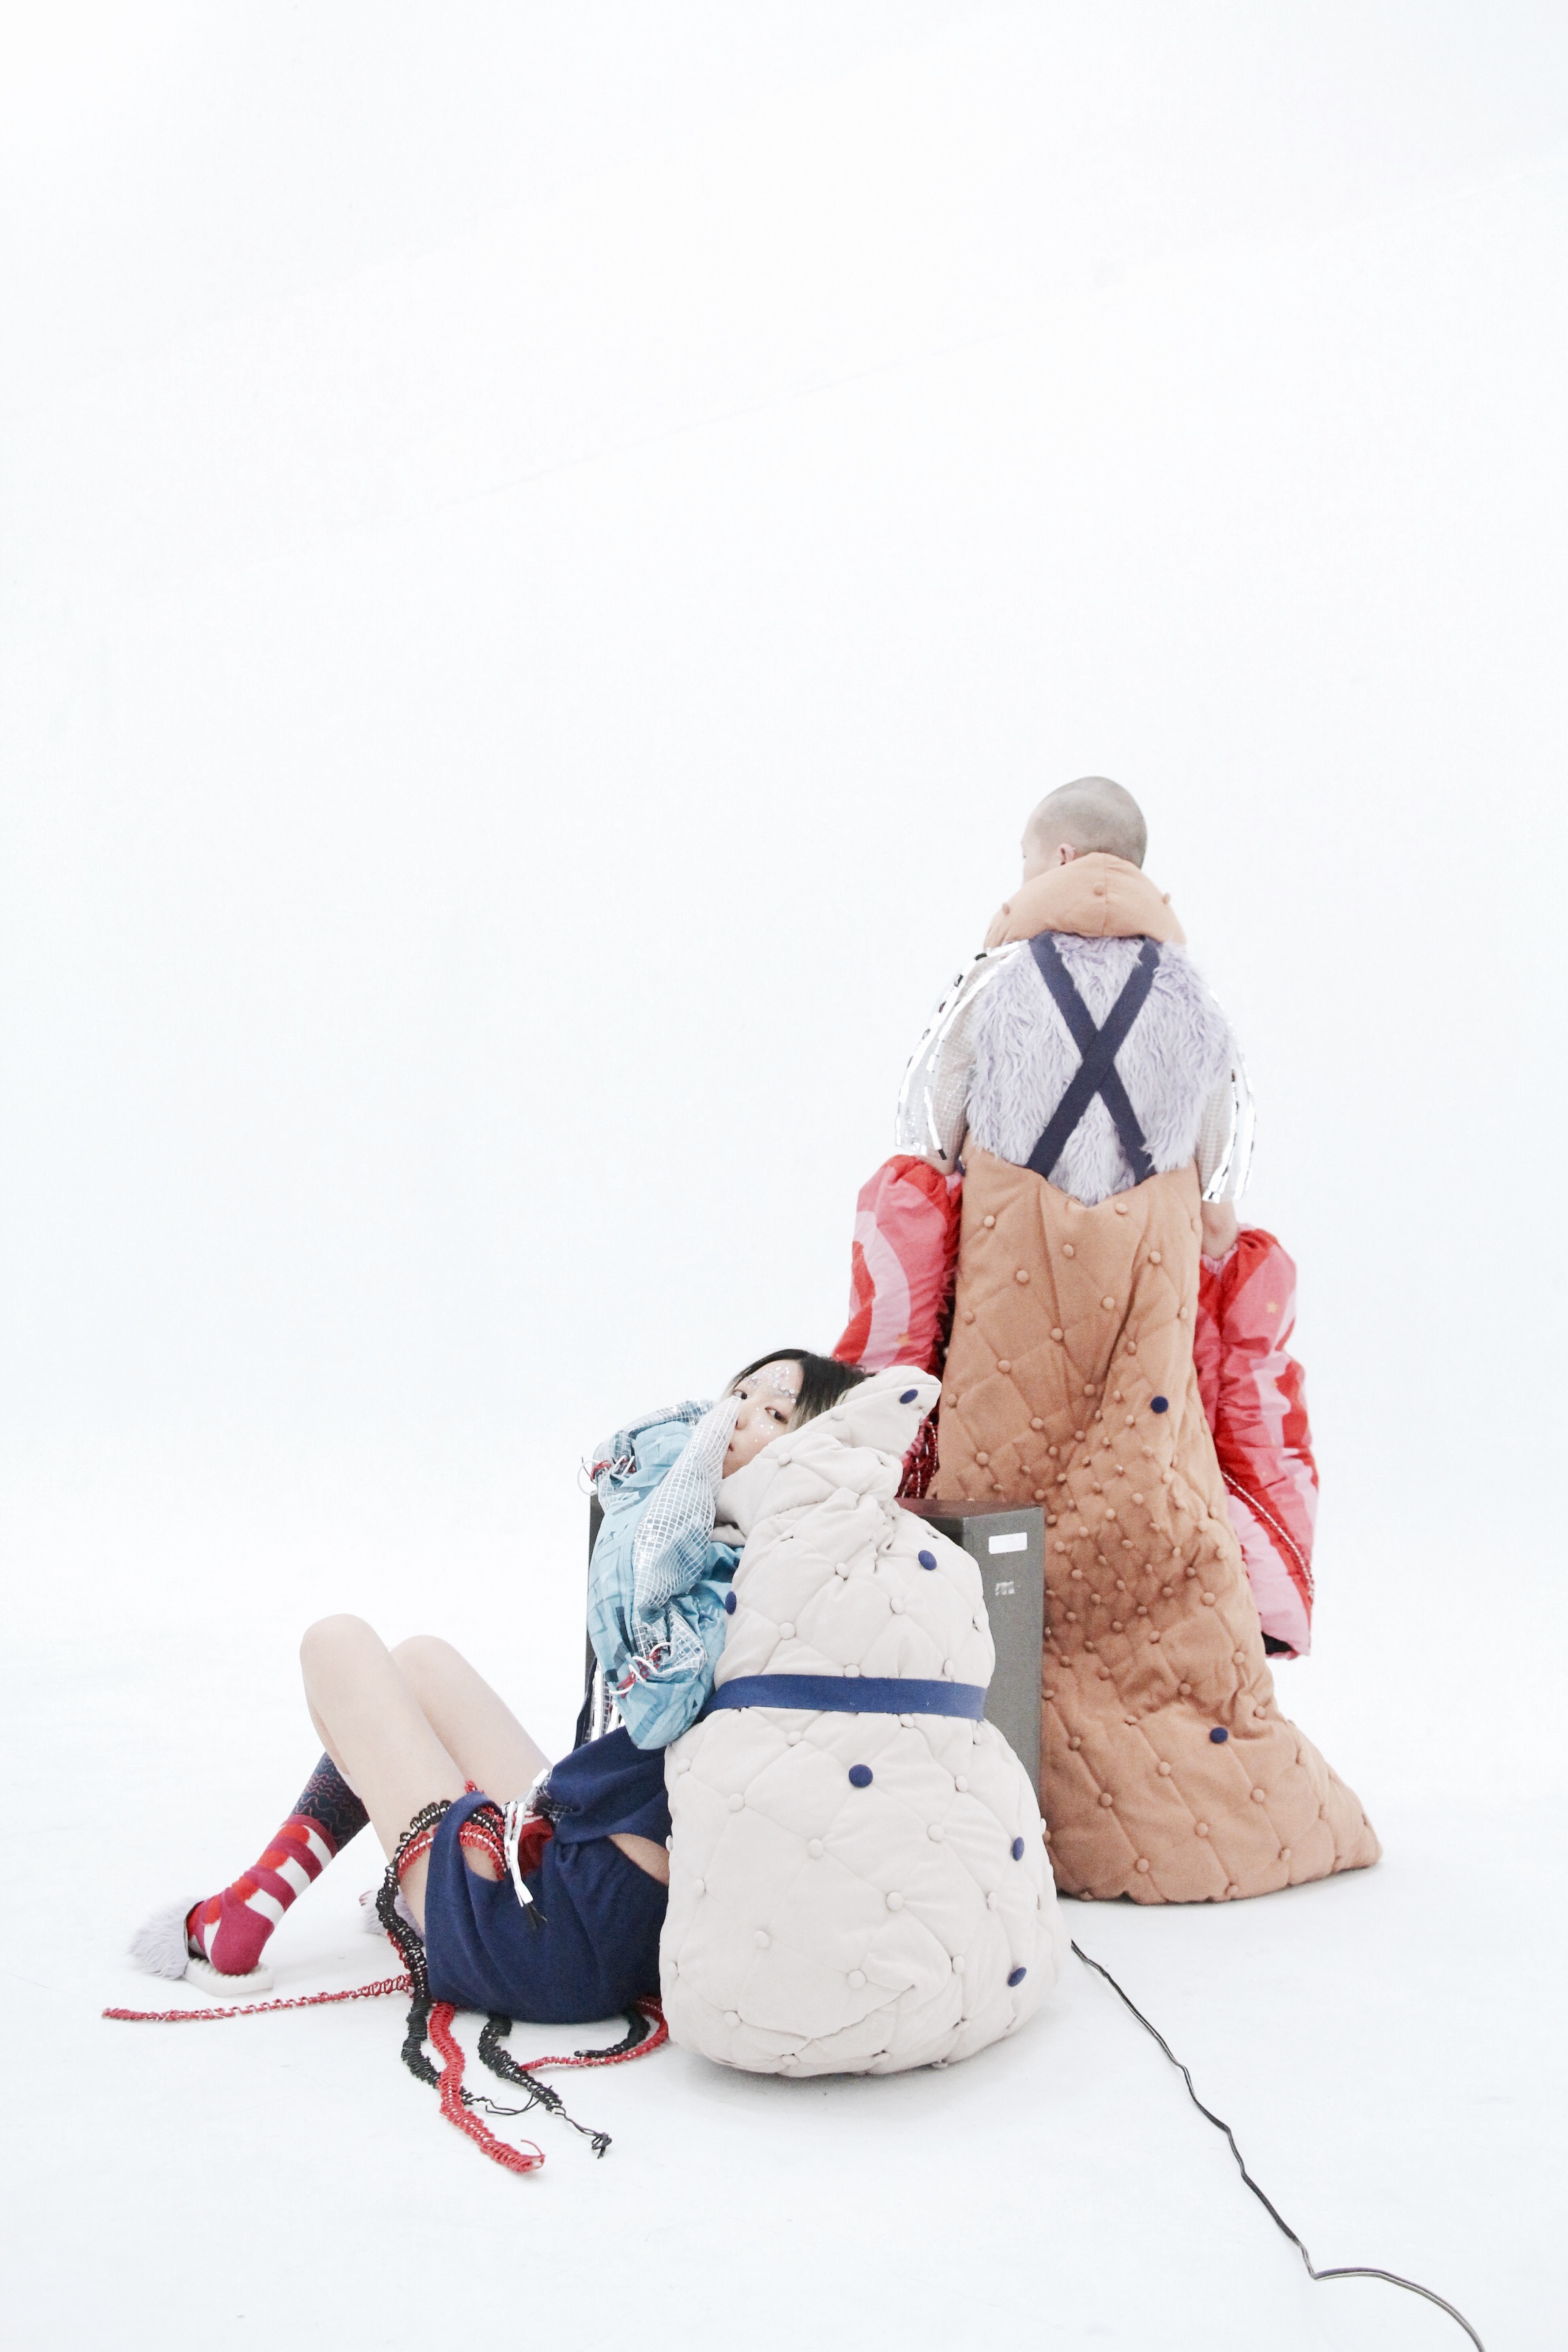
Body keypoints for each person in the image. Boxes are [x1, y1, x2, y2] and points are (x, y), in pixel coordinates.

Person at [834, 776, 1378, 1902]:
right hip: (1146, 1294)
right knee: (1148, 1516)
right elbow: (1225, 1158)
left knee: (993, 1519)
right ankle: (1194, 1769)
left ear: (1062, 858)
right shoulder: (1195, 1000)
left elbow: (924, 1123)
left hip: (1011, 1287)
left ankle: (993, 1796)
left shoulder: (994, 980)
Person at [131, 1348, 864, 2023]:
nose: (736, 1415)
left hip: (546, 1942)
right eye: (739, 1393)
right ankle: (275, 1896)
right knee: (420, 1662)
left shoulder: (712, 1570)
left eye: (774, 1413)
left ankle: (250, 1909)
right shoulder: (765, 1562)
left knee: (335, 1643)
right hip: (608, 1901)